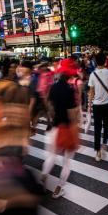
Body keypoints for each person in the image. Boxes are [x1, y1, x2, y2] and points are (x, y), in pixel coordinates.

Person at [40, 59, 80, 199]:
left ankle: (43, 177)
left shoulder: (53, 87)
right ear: (70, 75)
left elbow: (49, 106)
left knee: (51, 157)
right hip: (67, 129)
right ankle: (59, 188)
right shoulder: (70, 90)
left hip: (54, 128)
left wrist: (52, 118)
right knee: (67, 162)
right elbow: (72, 114)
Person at [88, 53, 108, 161]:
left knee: (97, 128)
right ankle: (104, 144)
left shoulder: (92, 75)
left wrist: (89, 105)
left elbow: (91, 92)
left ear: (95, 62)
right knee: (107, 124)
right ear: (105, 61)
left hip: (97, 105)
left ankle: (98, 151)